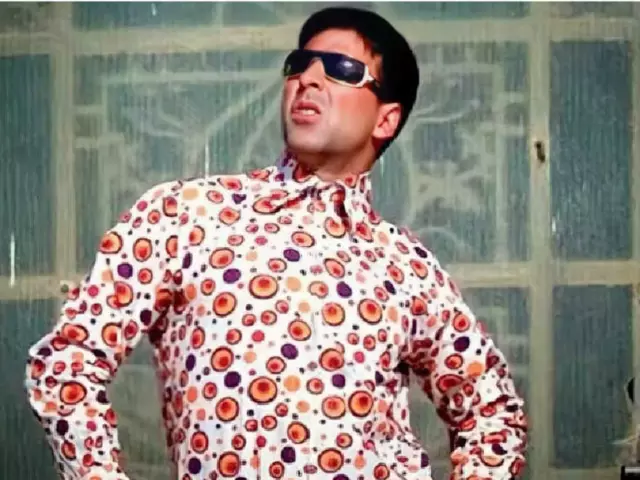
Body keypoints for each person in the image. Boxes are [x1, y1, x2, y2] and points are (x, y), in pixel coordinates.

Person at [25, 6, 527, 480]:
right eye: (299, 64)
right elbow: (67, 364)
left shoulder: (407, 266)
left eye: (341, 69)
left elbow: (493, 415)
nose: (308, 78)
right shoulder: (185, 216)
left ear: (385, 119)